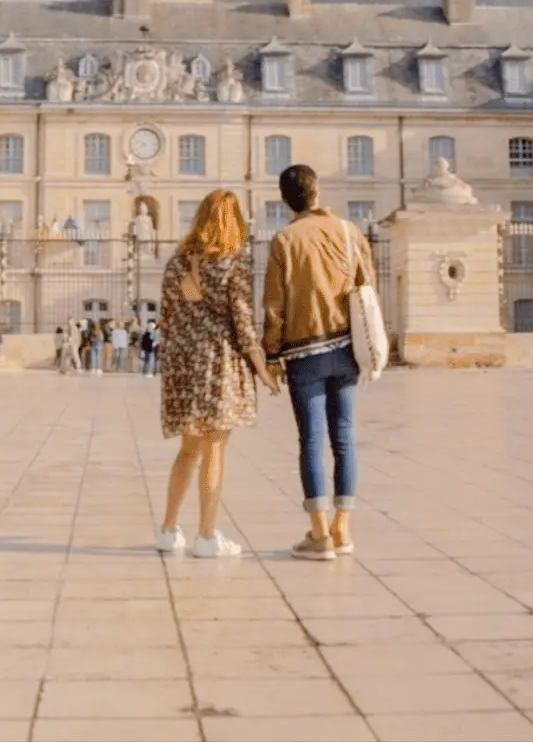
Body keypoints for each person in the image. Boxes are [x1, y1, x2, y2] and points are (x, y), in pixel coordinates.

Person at [155, 190, 276, 559]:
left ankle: (168, 529)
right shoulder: (232, 264)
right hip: (218, 361)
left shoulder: (177, 263)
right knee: (216, 448)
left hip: (182, 361)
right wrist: (264, 372)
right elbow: (242, 323)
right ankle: (207, 536)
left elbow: (166, 317)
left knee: (188, 450)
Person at [262, 163, 374, 561]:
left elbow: (274, 306)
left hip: (303, 353)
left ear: (285, 198)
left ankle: (319, 532)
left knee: (310, 440)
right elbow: (367, 287)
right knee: (344, 437)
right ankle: (343, 528)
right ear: (317, 192)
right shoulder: (349, 232)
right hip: (346, 349)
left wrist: (271, 354)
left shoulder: (284, 240)